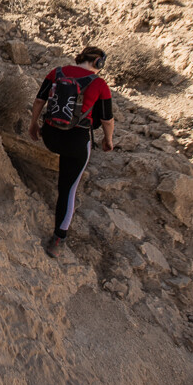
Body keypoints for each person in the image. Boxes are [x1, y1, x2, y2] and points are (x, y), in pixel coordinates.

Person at [28, 46, 115, 257]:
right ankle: (58, 238)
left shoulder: (57, 73)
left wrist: (33, 125)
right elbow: (106, 120)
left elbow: (40, 100)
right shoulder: (99, 83)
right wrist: (108, 140)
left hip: (50, 137)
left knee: (63, 158)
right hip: (76, 143)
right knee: (68, 189)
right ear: (98, 63)